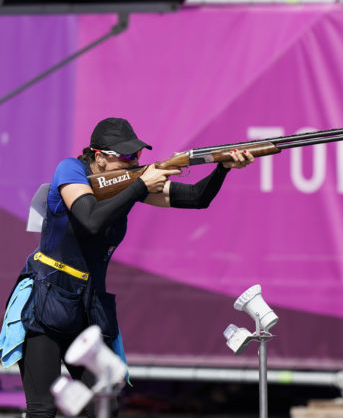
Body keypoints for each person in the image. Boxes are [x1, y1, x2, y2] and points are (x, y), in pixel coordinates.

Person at [0, 117, 254, 417]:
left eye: (136, 155)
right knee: (43, 409)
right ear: (99, 157)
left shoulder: (130, 184)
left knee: (103, 406)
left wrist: (222, 168)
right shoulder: (70, 169)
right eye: (125, 156)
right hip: (46, 299)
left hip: (87, 304)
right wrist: (140, 186)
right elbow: (91, 220)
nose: (134, 161)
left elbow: (198, 198)